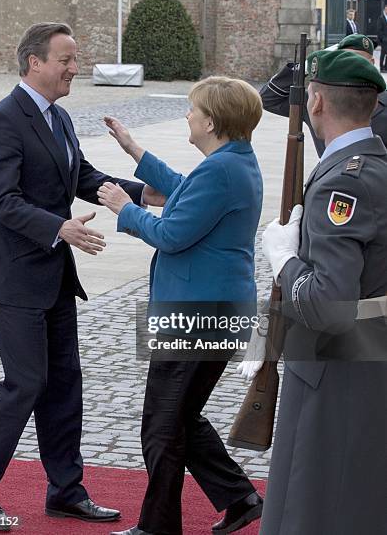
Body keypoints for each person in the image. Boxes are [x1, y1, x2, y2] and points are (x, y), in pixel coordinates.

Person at [0, 22, 162, 529]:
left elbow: (84, 178)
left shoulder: (60, 118)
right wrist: (59, 228)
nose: (75, 68)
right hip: (9, 277)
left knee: (65, 383)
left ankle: (65, 492)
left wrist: (152, 193)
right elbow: (2, 201)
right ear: (35, 63)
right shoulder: (1, 121)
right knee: (26, 383)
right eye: (67, 59)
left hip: (51, 274)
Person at [97, 76, 264, 535]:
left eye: (192, 110)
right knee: (182, 418)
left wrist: (124, 209)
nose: (188, 116)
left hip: (197, 313)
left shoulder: (222, 170)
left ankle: (158, 526)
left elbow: (171, 235)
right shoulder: (232, 162)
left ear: (210, 121)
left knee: (162, 425)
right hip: (214, 309)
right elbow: (183, 189)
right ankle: (240, 497)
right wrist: (135, 150)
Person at [242, 50, 387, 534]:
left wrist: (285, 258)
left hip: (335, 367)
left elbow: (329, 303)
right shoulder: (373, 164)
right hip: (365, 358)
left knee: (316, 507)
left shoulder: (343, 184)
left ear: (317, 101)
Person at [260, 33, 387, 156]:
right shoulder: (317, 99)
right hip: (328, 171)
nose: (351, 65)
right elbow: (268, 98)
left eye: (359, 61)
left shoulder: (383, 102)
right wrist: (304, 67)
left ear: (371, 63)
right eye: (345, 59)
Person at [377, 4, 387, 72]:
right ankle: (381, 67)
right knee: (383, 54)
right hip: (384, 40)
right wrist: (383, 38)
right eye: (386, 9)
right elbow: (379, 30)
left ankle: (386, 67)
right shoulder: (381, 18)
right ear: (384, 10)